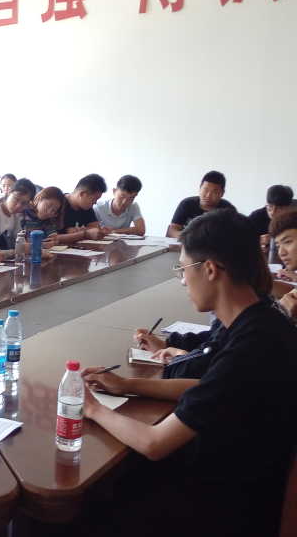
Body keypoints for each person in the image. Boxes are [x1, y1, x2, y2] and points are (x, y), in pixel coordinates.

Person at [81, 209, 294, 537]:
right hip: (235, 479)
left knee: (92, 501)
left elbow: (154, 443)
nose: (182, 281)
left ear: (210, 269)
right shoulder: (260, 318)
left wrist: (92, 408)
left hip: (225, 504)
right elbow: (209, 386)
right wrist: (125, 384)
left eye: (183, 269)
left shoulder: (252, 346)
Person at [167, 171, 235, 238]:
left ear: (222, 193)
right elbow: (172, 231)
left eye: (214, 192)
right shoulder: (187, 204)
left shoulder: (228, 210)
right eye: (206, 190)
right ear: (200, 188)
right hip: (187, 243)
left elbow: (234, 235)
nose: (208, 195)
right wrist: (189, 238)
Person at [0, 178, 36, 256]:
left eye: (24, 203)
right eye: (16, 199)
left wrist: (37, 250)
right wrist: (16, 251)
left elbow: (19, 244)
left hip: (3, 261)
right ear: (9, 193)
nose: (18, 206)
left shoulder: (16, 216)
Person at [61, 174, 108, 238]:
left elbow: (96, 228)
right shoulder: (58, 204)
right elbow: (52, 238)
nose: (95, 203)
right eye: (94, 199)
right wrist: (85, 233)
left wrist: (78, 232)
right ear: (82, 194)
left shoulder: (86, 207)